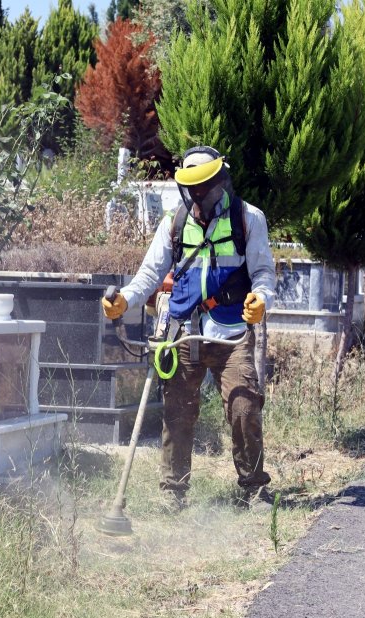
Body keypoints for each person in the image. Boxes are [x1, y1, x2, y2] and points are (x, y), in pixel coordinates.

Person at [101, 146, 276, 509]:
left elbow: (263, 275)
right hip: (183, 332)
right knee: (177, 412)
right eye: (193, 189)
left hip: (232, 333)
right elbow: (149, 274)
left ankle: (255, 488)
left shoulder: (249, 220)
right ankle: (173, 493)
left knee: (244, 406)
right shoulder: (174, 223)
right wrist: (125, 300)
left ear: (221, 181)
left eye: (207, 188)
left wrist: (261, 301)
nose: (201, 196)